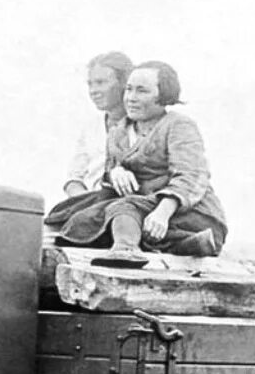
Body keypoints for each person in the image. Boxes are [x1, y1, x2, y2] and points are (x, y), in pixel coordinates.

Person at [45, 60, 228, 261]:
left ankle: (127, 250)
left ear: (164, 95)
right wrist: (115, 173)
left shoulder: (178, 125)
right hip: (140, 209)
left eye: (142, 91)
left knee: (123, 208)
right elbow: (109, 176)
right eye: (129, 90)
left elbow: (192, 176)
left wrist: (162, 213)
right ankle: (182, 244)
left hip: (183, 212)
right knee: (76, 209)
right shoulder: (118, 132)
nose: (131, 98)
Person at [61, 50, 135, 199]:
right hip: (90, 204)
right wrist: (83, 201)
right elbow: (74, 178)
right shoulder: (91, 128)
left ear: (124, 84)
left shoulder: (145, 125)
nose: (93, 91)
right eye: (90, 84)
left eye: (101, 83)